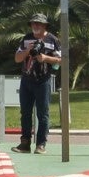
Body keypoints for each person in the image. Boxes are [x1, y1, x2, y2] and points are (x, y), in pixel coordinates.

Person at [11, 13, 62, 154]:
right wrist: (27, 50)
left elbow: (61, 60)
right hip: (26, 81)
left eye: (38, 23)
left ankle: (41, 144)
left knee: (43, 114)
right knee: (25, 113)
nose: (35, 26)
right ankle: (25, 144)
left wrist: (45, 58)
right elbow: (17, 58)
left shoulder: (53, 40)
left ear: (45, 25)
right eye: (33, 23)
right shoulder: (26, 39)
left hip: (43, 81)